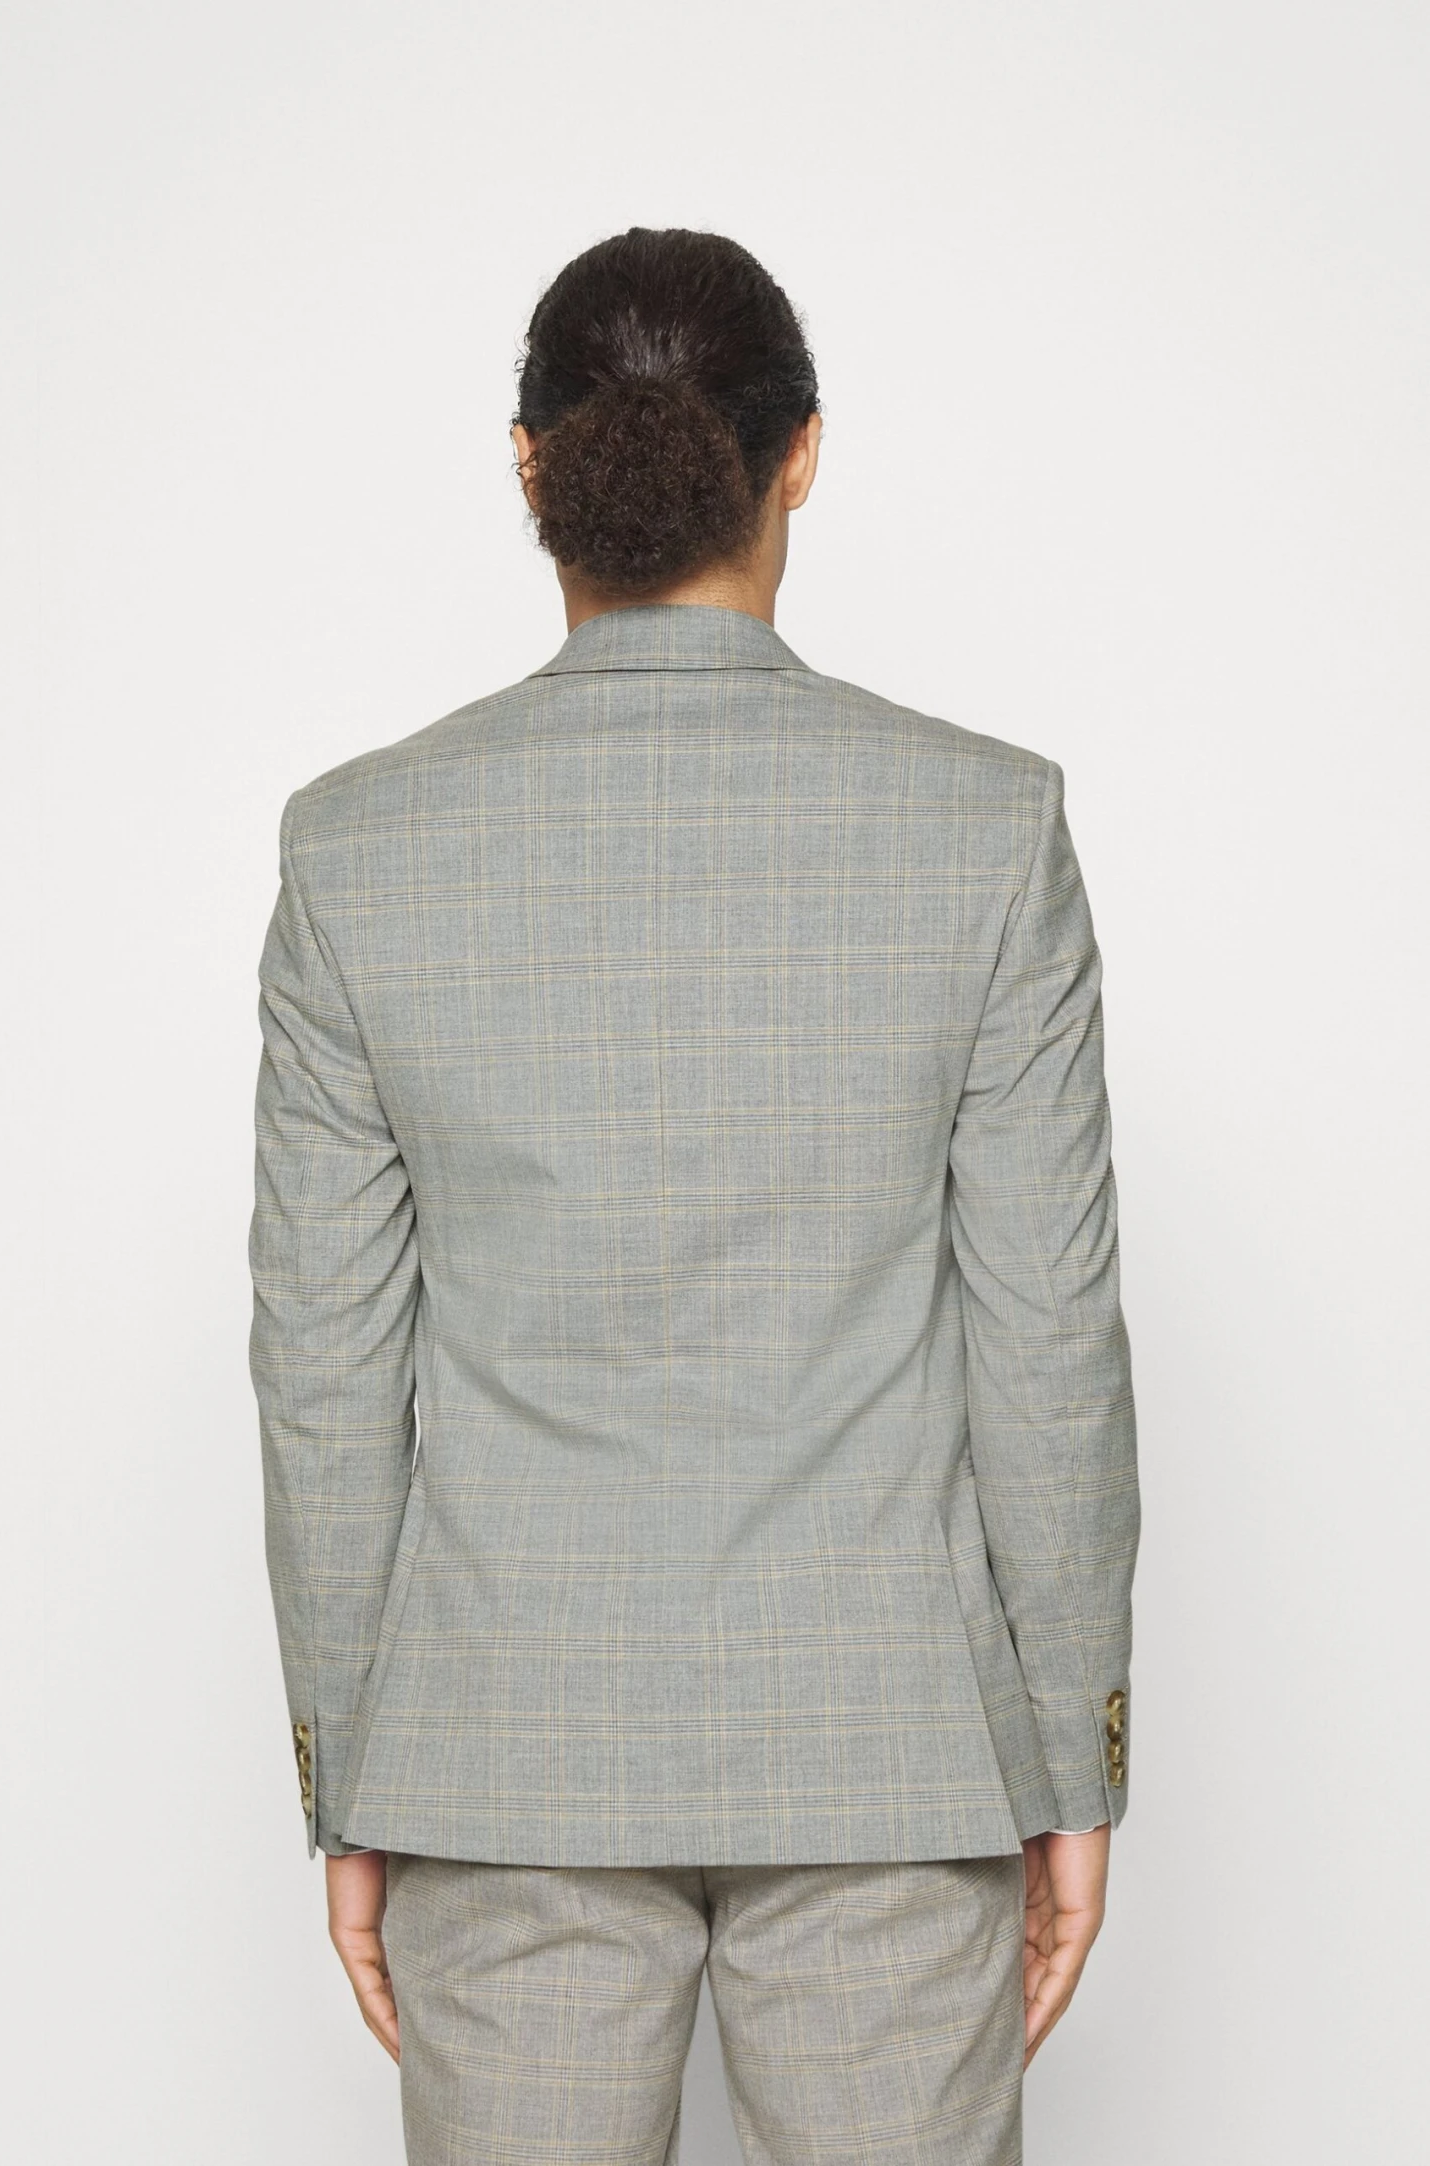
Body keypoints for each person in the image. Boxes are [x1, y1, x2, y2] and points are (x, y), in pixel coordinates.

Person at [248, 225, 1139, 2165]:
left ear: (529, 461)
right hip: (891, 1752)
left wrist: (354, 1775)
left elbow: (324, 1375)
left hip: (503, 1762)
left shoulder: (359, 852)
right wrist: (1072, 1756)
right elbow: (1049, 1340)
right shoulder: (985, 829)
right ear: (799, 452)